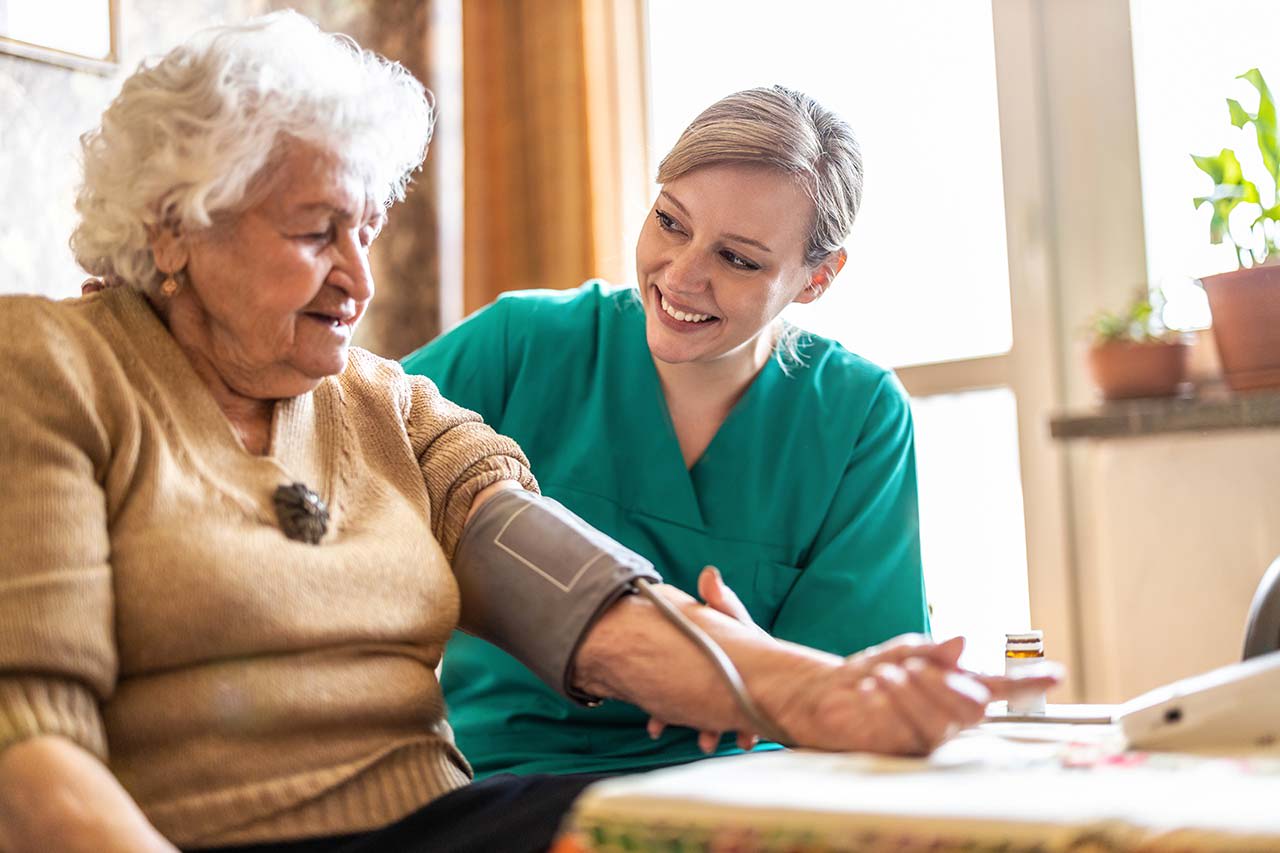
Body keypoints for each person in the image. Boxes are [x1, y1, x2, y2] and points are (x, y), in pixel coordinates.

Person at [0, 14, 1054, 853]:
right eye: (317, 232)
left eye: (366, 229)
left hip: (440, 822)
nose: (360, 278)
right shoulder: (52, 368)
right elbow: (27, 740)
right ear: (174, 227)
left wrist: (821, 689)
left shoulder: (389, 406)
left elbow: (587, 603)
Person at [402, 86, 930, 778]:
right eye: (671, 223)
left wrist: (744, 669)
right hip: (503, 779)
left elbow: (857, 698)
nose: (681, 277)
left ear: (816, 279)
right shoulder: (518, 345)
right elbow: (343, 448)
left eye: (738, 259)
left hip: (744, 790)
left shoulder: (859, 416)